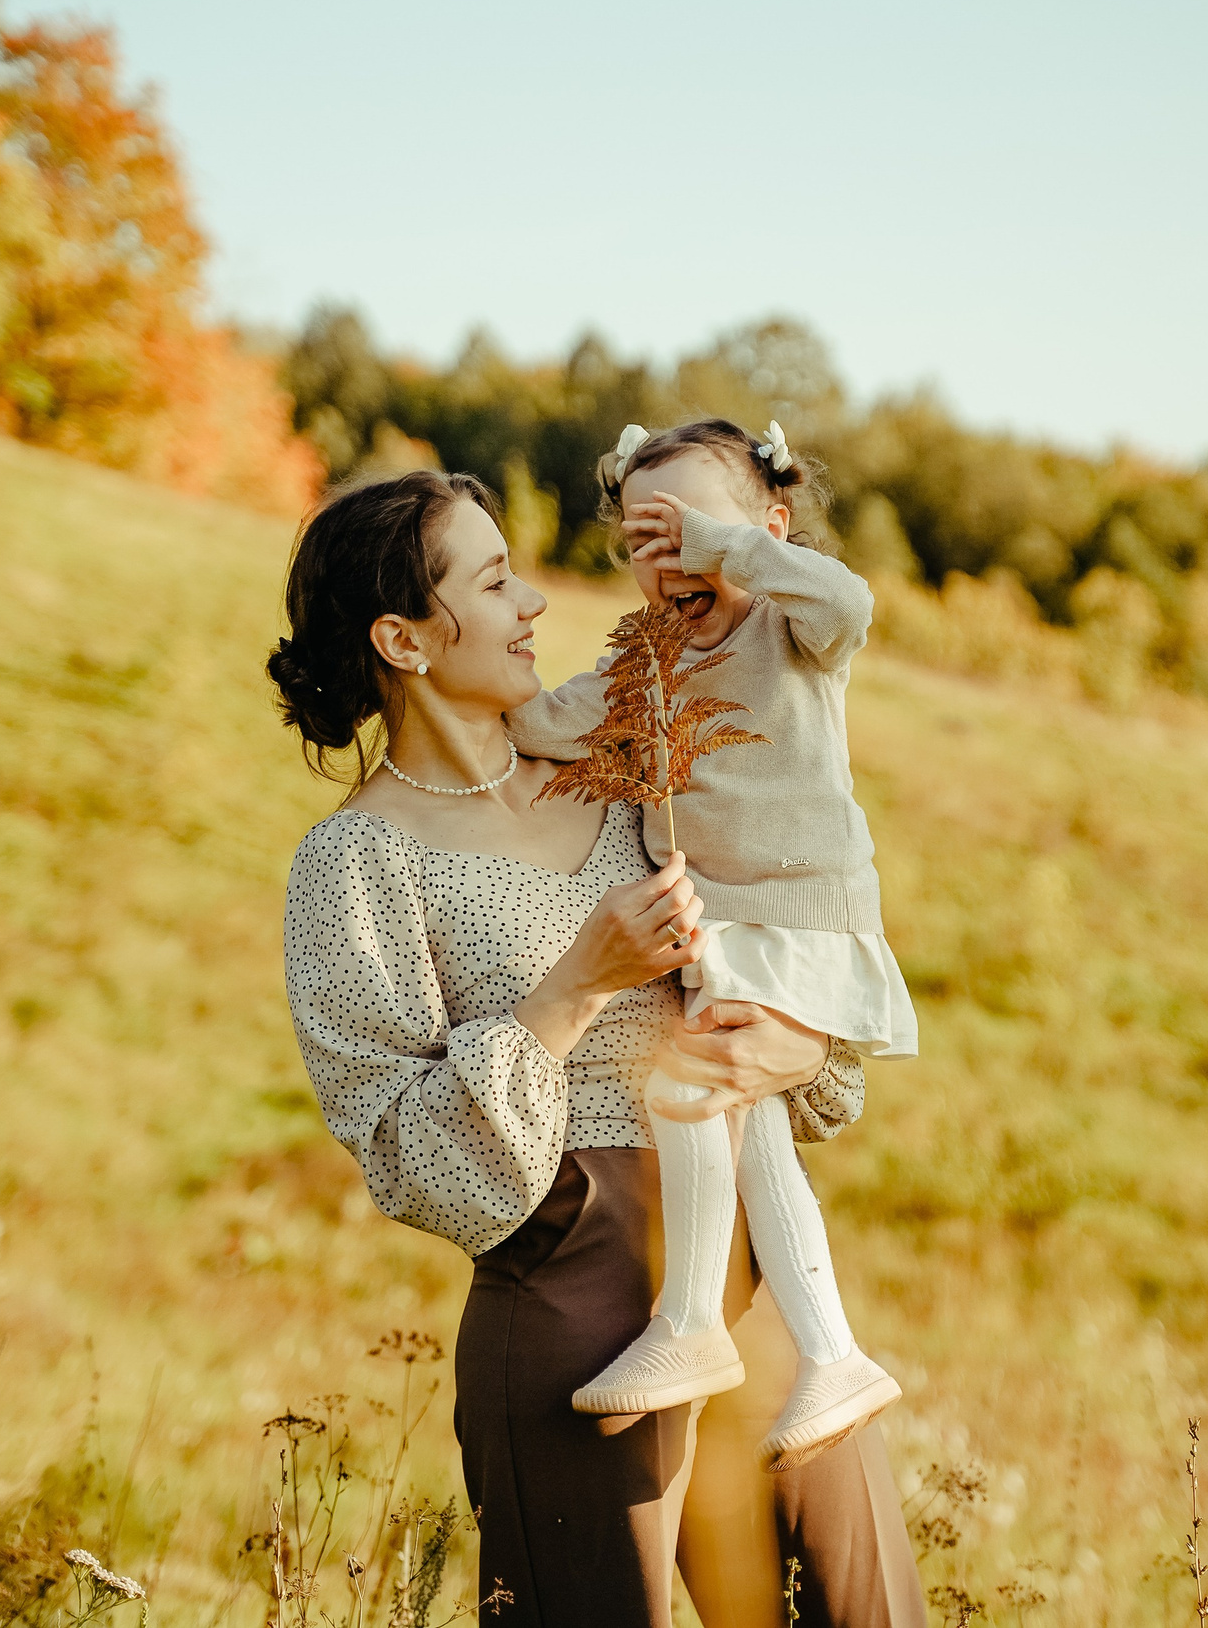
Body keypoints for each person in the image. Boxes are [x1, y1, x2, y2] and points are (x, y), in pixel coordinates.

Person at [271, 469, 925, 1627]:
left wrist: (795, 1053)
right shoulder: (353, 864)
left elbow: (785, 943)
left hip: (755, 1296)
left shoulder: (625, 769)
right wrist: (576, 984)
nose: (532, 601)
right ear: (403, 639)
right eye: (490, 580)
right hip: (567, 1313)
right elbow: (404, 1155)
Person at [505, 420, 912, 1472]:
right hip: (726, 937)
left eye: (692, 528)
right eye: (645, 537)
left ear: (768, 532)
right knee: (751, 1128)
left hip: (800, 923)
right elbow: (546, 725)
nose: (671, 557)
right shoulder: (649, 661)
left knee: (682, 1084)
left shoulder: (790, 627)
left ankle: (690, 1321)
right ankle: (832, 1354)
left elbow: (852, 601)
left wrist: (731, 553)